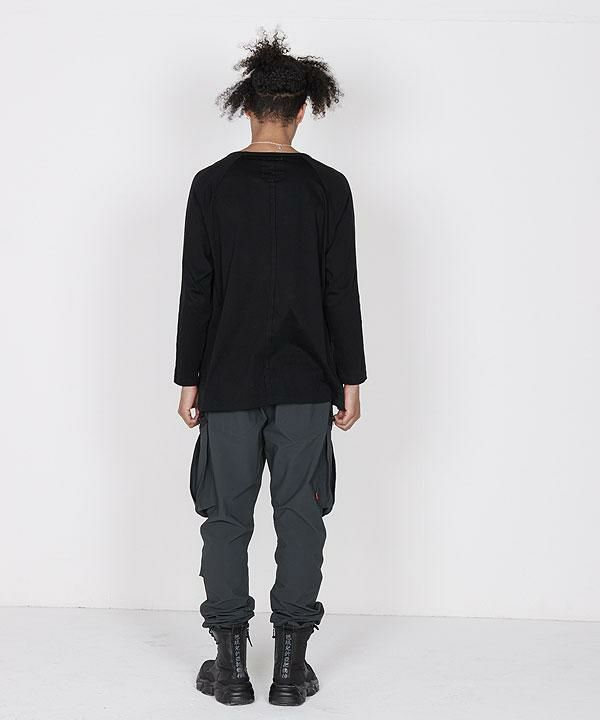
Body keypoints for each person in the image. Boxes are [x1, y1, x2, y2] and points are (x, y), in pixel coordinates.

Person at [174, 27, 367, 707]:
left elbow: (198, 289)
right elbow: (340, 289)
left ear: (247, 106)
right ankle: (289, 668)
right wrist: (351, 378)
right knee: (301, 518)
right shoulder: (328, 188)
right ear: (303, 111)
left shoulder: (211, 186)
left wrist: (188, 377)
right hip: (307, 383)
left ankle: (230, 668)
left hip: (225, 380)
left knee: (226, 518)